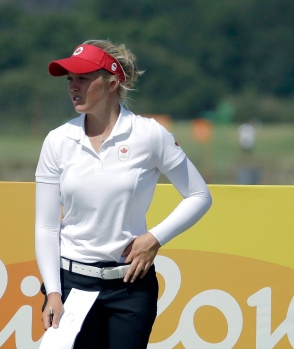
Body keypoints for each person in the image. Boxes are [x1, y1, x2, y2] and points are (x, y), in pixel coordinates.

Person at [34, 40, 212, 348]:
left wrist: (154, 238)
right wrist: (52, 292)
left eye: (83, 78)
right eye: (69, 80)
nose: (73, 87)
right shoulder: (57, 140)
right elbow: (47, 227)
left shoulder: (150, 134)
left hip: (131, 288)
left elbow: (199, 195)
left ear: (113, 82)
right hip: (71, 285)